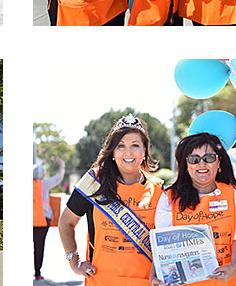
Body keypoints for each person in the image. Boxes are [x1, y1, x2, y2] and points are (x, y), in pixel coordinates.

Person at [58, 114, 163, 285]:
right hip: (102, 280)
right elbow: (65, 222)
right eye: (121, 145)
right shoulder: (93, 182)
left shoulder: (158, 189)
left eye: (135, 145)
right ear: (113, 151)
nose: (128, 152)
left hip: (146, 282)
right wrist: (74, 261)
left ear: (145, 150)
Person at [152, 133, 236, 286]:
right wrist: (155, 275)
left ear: (219, 162)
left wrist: (234, 266)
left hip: (229, 280)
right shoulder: (169, 197)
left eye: (209, 158)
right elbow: (162, 244)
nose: (202, 164)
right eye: (194, 159)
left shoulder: (235, 195)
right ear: (186, 165)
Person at [33, 158, 65, 281]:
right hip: (42, 221)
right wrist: (62, 165)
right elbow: (58, 178)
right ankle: (37, 273)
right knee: (39, 247)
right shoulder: (44, 184)